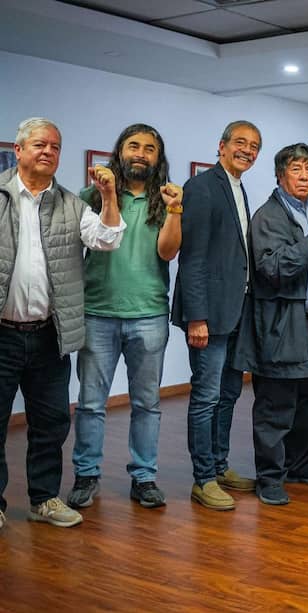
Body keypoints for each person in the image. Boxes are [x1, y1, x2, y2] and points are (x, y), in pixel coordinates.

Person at [0, 117, 125, 529]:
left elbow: (108, 239)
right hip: (2, 334)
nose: (48, 151)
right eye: (40, 144)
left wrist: (108, 196)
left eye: (55, 146)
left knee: (51, 422)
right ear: (18, 150)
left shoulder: (71, 204)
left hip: (48, 335)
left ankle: (44, 499)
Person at [68, 124, 182, 511]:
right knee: (90, 403)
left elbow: (168, 252)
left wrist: (175, 210)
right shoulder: (91, 196)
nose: (141, 153)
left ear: (158, 158)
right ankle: (86, 475)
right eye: (134, 146)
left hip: (149, 314)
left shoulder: (165, 198)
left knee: (147, 404)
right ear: (120, 151)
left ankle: (144, 477)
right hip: (97, 313)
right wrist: (107, 193)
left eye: (149, 148)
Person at [233, 143, 308, 506]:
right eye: (296, 169)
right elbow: (272, 268)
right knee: (276, 405)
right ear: (280, 176)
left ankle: (300, 463)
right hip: (280, 324)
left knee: (307, 399)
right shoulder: (269, 216)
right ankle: (270, 477)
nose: (305, 176)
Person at [172, 120, 261, 511]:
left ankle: (220, 466)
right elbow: (192, 258)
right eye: (240, 142)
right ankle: (203, 478)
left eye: (254, 146)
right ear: (222, 146)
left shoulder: (238, 187)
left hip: (235, 312)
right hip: (208, 316)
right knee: (206, 397)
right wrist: (197, 317)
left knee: (228, 394)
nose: (247, 150)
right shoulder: (202, 187)